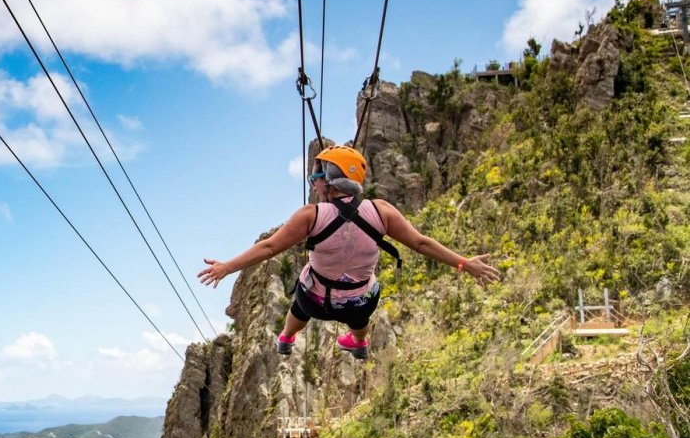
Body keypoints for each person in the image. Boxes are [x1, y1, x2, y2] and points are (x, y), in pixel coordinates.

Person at [198, 145, 500, 360]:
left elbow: (269, 247)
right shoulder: (381, 211)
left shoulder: (310, 215)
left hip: (316, 299)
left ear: (330, 182)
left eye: (315, 179)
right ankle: (357, 342)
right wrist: (464, 264)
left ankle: (287, 337)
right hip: (358, 302)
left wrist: (227, 267)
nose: (313, 184)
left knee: (299, 308)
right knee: (361, 313)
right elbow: (420, 243)